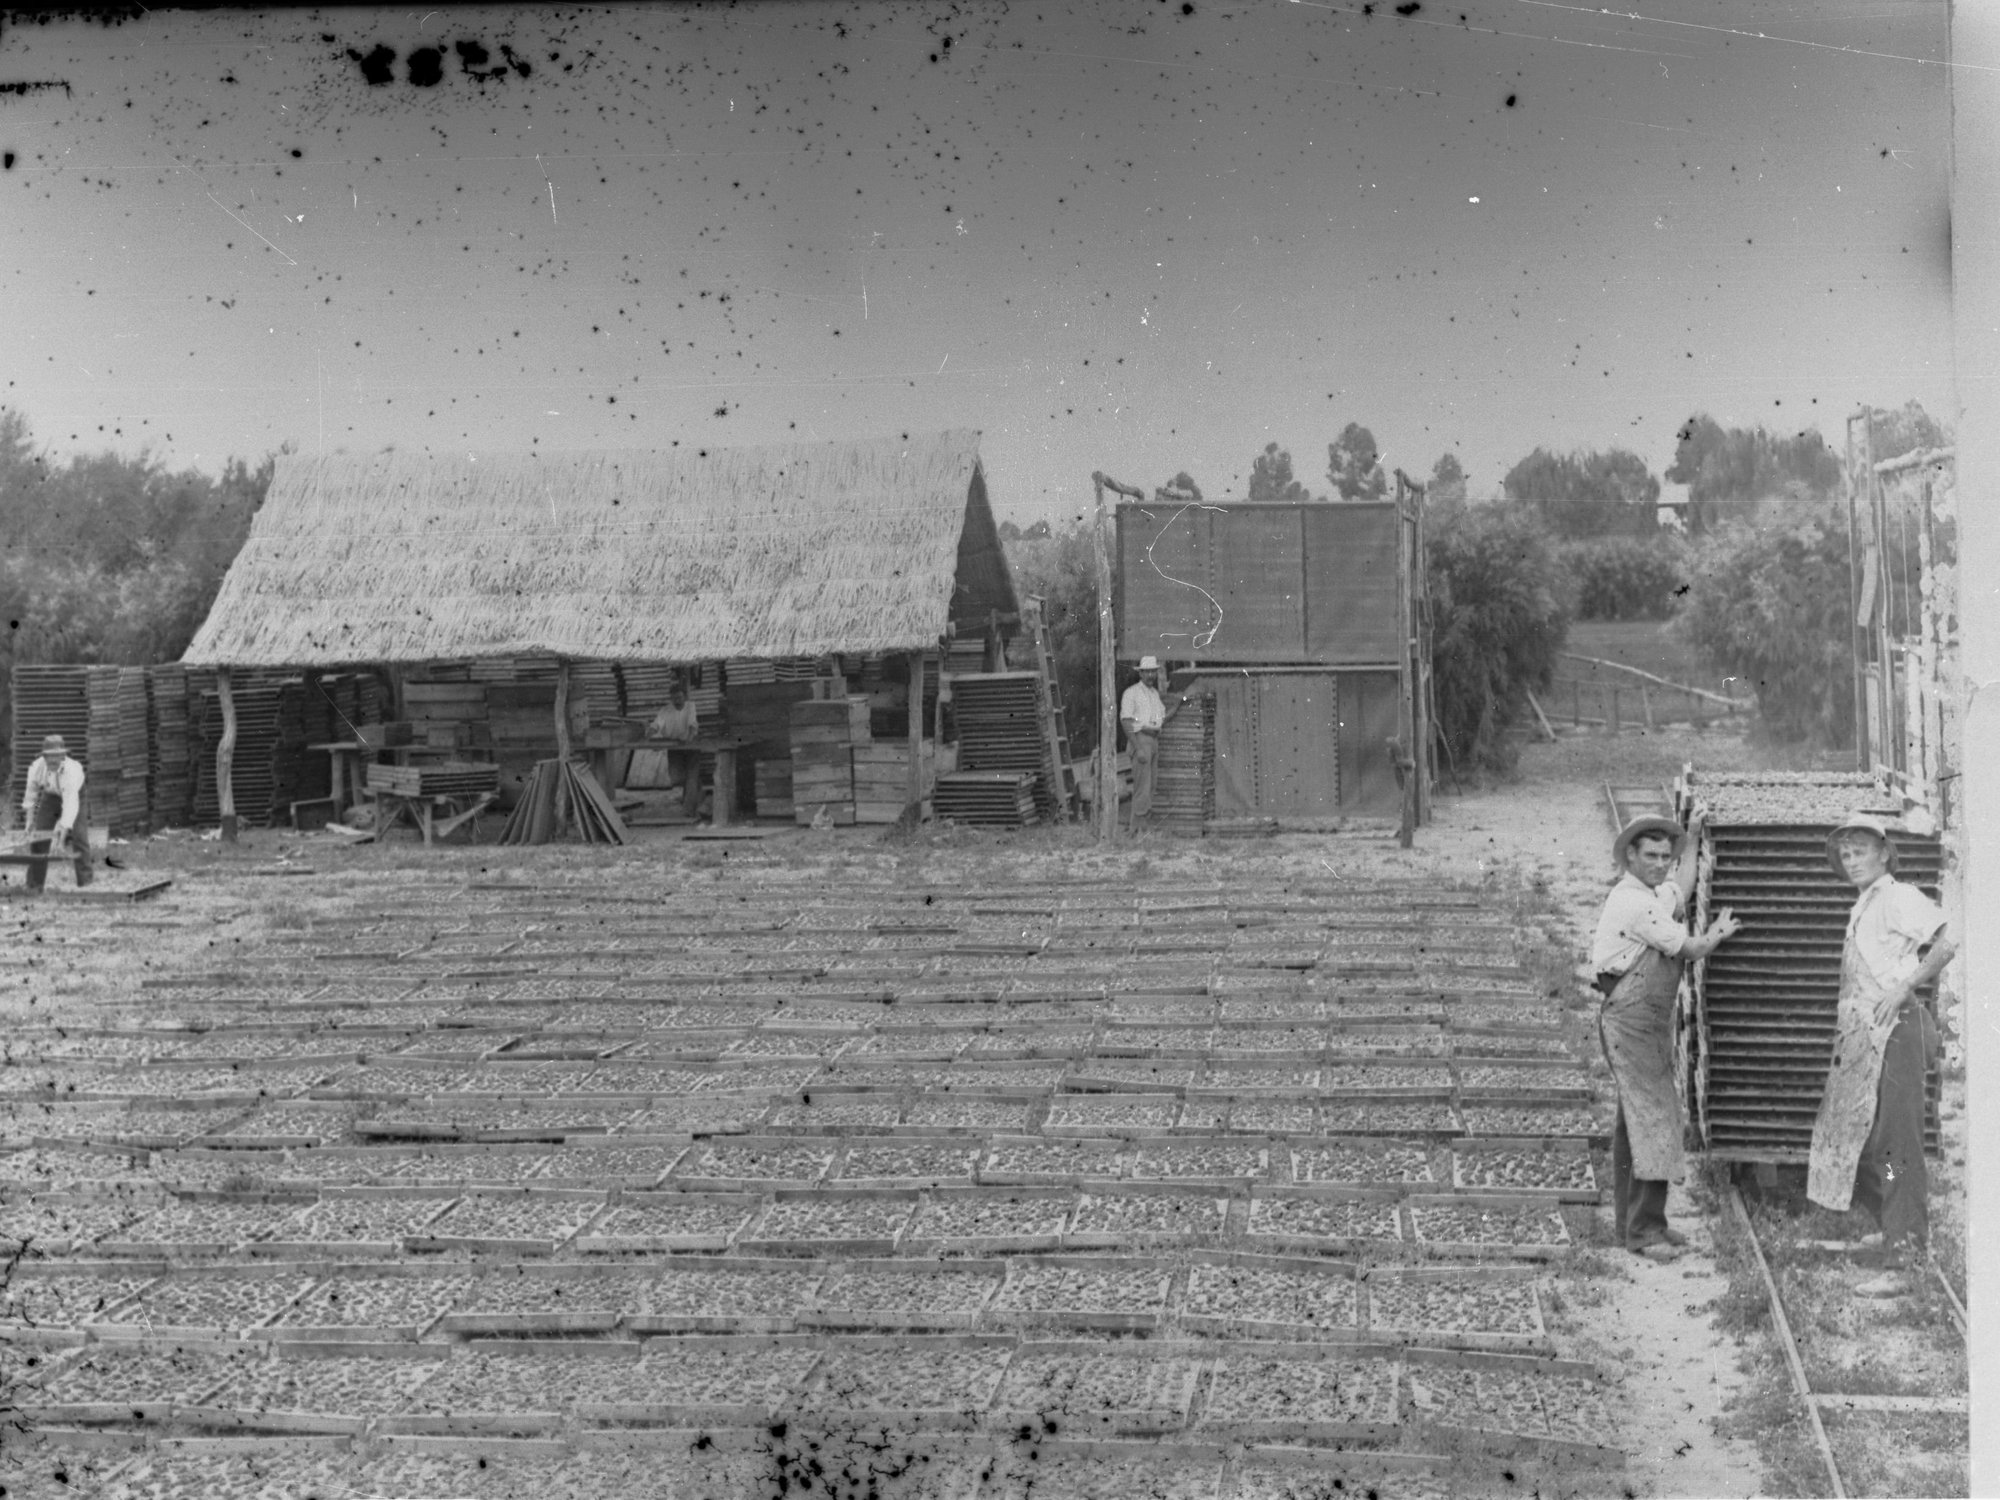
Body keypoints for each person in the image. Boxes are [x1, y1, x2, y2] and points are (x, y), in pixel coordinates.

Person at [1807, 813, 1955, 1298]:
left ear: (1885, 853)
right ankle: (1895, 1225)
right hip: (1867, 1037)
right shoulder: (1865, 903)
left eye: (1860, 851)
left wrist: (1906, 987)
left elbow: (1948, 940)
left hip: (1898, 1032)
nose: (1851, 861)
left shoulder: (1897, 896)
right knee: (1870, 1139)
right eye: (1845, 854)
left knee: (1896, 1146)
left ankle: (1906, 1253)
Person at [1590, 811, 1739, 1259]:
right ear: (1629, 857)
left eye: (1664, 856)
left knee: (1637, 1121)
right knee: (1652, 1119)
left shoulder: (1651, 894)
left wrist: (1691, 840)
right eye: (1649, 855)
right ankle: (1642, 1232)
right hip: (1630, 1021)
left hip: (1643, 1021)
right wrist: (1718, 933)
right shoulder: (1634, 903)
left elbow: (1684, 885)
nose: (1659, 863)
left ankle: (1640, 1222)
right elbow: (1690, 948)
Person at [18, 733, 92, 893]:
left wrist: (61, 838)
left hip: (76, 795)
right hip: (50, 795)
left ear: (63, 755)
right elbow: (31, 796)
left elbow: (70, 807)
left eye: (56, 756)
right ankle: (34, 885)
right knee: (38, 837)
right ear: (43, 756)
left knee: (79, 836)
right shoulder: (36, 767)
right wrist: (29, 823)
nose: (52, 760)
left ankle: (86, 883)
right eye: (49, 757)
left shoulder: (72, 771)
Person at [1119, 655, 1166, 832]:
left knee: (1151, 787)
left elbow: (1160, 719)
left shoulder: (1154, 694)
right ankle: (1135, 830)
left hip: (1154, 741)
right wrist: (1138, 748)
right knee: (1142, 788)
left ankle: (1143, 829)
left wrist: (1179, 705)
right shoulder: (1132, 693)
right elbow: (1126, 721)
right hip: (1140, 740)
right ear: (1141, 673)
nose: (1150, 676)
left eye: (1153, 672)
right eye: (1147, 672)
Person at [647, 677, 705, 817]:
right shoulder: (665, 710)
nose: (677, 700)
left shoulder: (690, 706)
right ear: (671, 698)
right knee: (676, 777)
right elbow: (656, 725)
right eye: (674, 698)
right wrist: (651, 731)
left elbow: (692, 724)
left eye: (680, 697)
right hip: (674, 746)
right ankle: (700, 793)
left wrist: (690, 739)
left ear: (684, 696)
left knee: (691, 776)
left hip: (691, 745)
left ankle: (688, 810)